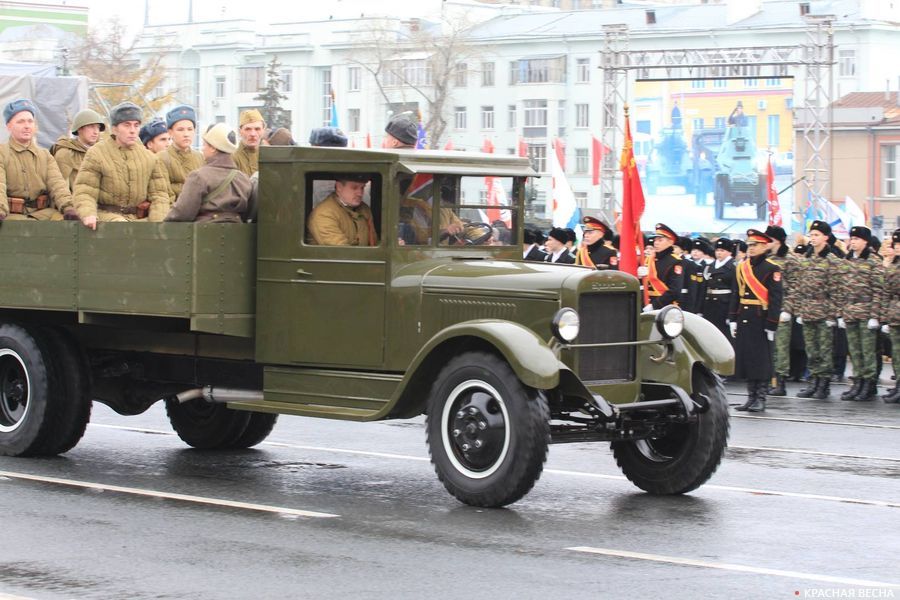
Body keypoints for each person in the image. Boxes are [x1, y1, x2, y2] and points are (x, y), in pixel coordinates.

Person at [73, 102, 171, 228]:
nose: (132, 130)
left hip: (139, 221)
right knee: (120, 227)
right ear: (114, 129)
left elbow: (160, 195)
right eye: (127, 125)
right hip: (105, 219)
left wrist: (157, 223)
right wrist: (88, 214)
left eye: (136, 125)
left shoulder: (150, 158)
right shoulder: (96, 154)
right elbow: (85, 190)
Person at [729, 229, 783, 412]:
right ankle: (750, 396)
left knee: (761, 360)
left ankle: (761, 397)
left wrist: (772, 324)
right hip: (745, 317)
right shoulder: (742, 267)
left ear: (764, 246)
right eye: (749, 245)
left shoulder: (772, 268)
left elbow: (776, 299)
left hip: (761, 318)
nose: (751, 248)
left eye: (755, 245)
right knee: (747, 359)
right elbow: (736, 294)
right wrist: (733, 318)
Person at [0, 98, 75, 221]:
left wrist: (69, 207)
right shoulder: (2, 153)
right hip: (12, 216)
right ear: (9, 126)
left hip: (43, 213)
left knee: (67, 226)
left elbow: (57, 185)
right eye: (21, 122)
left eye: (30, 121)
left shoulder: (45, 156)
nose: (27, 126)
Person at [794, 220, 844, 400]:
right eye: (811, 235)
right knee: (811, 349)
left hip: (823, 311)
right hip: (808, 310)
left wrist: (833, 315)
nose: (813, 238)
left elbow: (836, 290)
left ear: (826, 238)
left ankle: (824, 384)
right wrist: (799, 310)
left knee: (824, 350)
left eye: (816, 235)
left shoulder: (832, 261)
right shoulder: (806, 259)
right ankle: (813, 381)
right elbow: (799, 286)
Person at [164, 123, 251, 223]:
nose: (202, 148)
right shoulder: (244, 179)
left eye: (205, 144)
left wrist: (163, 224)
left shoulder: (198, 177)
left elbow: (182, 213)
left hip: (203, 235)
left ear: (213, 148)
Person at [838, 226, 884, 402]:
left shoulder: (874, 261)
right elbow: (841, 289)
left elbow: (878, 290)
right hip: (850, 312)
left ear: (865, 241)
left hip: (866, 312)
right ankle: (857, 381)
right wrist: (841, 313)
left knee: (868, 351)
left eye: (857, 239)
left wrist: (874, 315)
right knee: (855, 351)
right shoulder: (847, 260)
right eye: (852, 238)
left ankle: (868, 383)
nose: (853, 242)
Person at [766, 225, 801, 396]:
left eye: (769, 239)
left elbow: (795, 286)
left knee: (780, 346)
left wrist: (788, 309)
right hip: (767, 307)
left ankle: (780, 381)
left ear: (777, 240)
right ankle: (769, 378)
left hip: (781, 308)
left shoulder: (790, 259)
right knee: (767, 346)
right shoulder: (766, 259)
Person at [307, 174, 377, 246]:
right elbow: (341, 253)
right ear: (339, 187)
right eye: (354, 188)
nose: (360, 193)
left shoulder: (364, 209)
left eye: (362, 188)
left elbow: (373, 242)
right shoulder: (323, 214)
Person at [51, 108, 106, 192]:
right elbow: (60, 189)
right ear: (80, 129)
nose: (96, 132)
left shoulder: (101, 153)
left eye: (98, 127)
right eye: (91, 127)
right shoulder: (65, 154)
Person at [160, 105, 203, 202]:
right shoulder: (161, 158)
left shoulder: (200, 157)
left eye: (190, 129)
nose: (186, 134)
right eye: (180, 129)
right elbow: (163, 193)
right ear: (170, 132)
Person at [637, 223, 683, 311]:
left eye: (660, 240)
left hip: (664, 307)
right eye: (655, 240)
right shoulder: (648, 259)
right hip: (645, 305)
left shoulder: (675, 261)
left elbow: (674, 291)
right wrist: (638, 276)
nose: (656, 243)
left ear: (670, 242)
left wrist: (655, 305)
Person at [703, 238, 735, 343]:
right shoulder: (710, 266)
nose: (719, 253)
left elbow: (735, 292)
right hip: (710, 305)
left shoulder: (733, 267)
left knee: (723, 337)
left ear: (729, 252)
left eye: (722, 251)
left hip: (723, 306)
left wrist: (731, 315)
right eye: (717, 250)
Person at [881, 229, 900, 403]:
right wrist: (886, 317)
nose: (898, 247)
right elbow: (886, 291)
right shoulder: (893, 265)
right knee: (897, 353)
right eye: (896, 244)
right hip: (895, 314)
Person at [233, 109, 265, 176]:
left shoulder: (269, 156)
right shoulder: (232, 158)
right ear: (240, 132)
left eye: (257, 129)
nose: (253, 134)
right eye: (248, 129)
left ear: (263, 131)